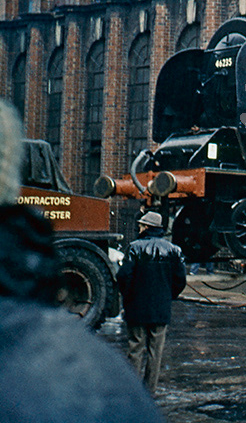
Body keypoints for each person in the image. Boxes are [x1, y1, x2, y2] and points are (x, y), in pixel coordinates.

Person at [0, 100, 163, 423]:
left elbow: (127, 276)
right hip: (157, 312)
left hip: (140, 309)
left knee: (137, 346)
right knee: (152, 350)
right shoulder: (101, 384)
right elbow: (173, 279)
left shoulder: (138, 251)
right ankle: (152, 384)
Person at [117, 211, 187, 391]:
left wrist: (128, 297)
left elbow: (124, 276)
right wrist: (167, 296)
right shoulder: (174, 250)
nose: (139, 227)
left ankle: (133, 391)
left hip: (137, 308)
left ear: (147, 227)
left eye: (141, 224)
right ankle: (150, 389)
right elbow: (180, 280)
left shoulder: (134, 247)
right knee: (156, 351)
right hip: (160, 309)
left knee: (135, 349)